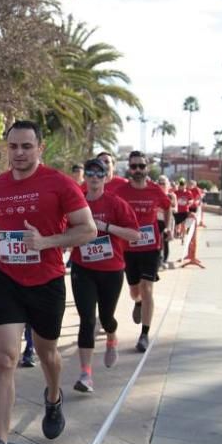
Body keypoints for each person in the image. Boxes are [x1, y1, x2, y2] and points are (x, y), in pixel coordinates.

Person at [0, 121, 95, 444]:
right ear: (6, 149)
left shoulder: (60, 184)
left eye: (27, 146)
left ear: (40, 148)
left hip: (47, 281)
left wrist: (45, 242)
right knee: (6, 357)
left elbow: (87, 229)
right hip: (7, 280)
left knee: (47, 353)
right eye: (13, 147)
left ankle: (53, 397)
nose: (20, 153)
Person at [69, 159, 140, 393]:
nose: (94, 177)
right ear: (85, 177)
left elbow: (134, 235)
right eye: (90, 172)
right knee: (87, 320)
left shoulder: (116, 203)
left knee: (106, 316)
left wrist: (105, 227)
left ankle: (111, 336)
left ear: (106, 177)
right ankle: (86, 375)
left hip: (111, 269)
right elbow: (62, 226)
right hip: (83, 268)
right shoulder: (75, 201)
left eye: (99, 173)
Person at [114, 152, 173, 353]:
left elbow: (167, 207)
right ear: (129, 168)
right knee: (134, 290)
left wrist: (168, 227)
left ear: (146, 168)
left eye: (141, 166)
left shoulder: (156, 190)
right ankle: (137, 303)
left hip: (151, 247)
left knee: (148, 287)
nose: (137, 170)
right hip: (128, 248)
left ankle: (144, 334)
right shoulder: (121, 191)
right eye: (134, 166)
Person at [155, 176, 177, 267]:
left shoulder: (171, 196)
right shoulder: (154, 195)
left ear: (168, 184)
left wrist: (166, 208)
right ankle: (158, 260)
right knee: (157, 242)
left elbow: (175, 209)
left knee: (165, 241)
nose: (161, 185)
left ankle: (164, 260)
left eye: (163, 183)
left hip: (167, 221)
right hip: (156, 221)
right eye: (159, 183)